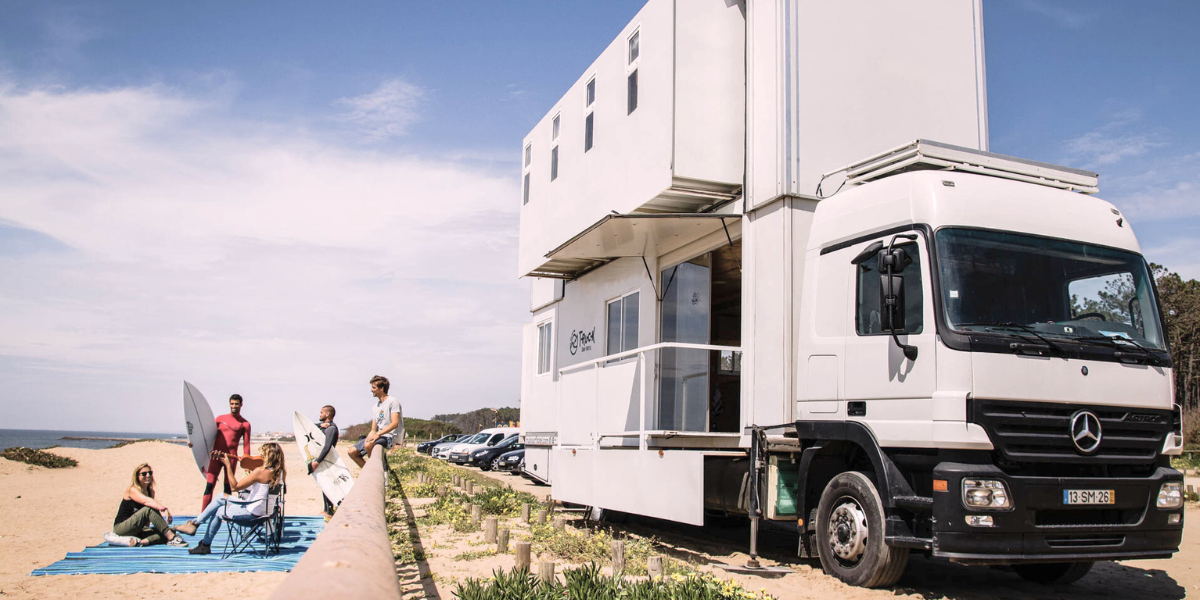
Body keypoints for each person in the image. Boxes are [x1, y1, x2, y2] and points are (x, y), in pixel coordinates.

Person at [177, 442, 286, 555]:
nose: (259, 457)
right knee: (220, 498)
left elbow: (234, 487)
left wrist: (228, 465)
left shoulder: (260, 472)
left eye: (262, 455)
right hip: (266, 513)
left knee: (219, 509)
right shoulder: (281, 472)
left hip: (252, 515)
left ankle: (202, 538)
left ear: (268, 456)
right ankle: (197, 529)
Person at [112, 463, 188, 547]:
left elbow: (148, 520)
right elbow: (146, 501)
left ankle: (143, 542)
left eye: (150, 473)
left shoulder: (151, 492)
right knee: (149, 508)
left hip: (138, 528)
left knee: (169, 530)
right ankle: (172, 538)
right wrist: (164, 509)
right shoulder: (132, 490)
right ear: (137, 477)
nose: (148, 475)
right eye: (144, 474)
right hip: (122, 528)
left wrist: (161, 526)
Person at [200, 393, 253, 511]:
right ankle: (203, 513)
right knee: (209, 485)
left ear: (241, 405)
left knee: (227, 487)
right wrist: (193, 443)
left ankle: (225, 513)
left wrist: (247, 464)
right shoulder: (220, 419)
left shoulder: (245, 424)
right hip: (216, 456)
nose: (234, 406)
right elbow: (206, 435)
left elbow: (246, 444)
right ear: (229, 404)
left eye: (236, 404)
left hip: (231, 458)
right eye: (232, 404)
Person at [348, 375, 401, 468]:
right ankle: (368, 470)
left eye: (373, 387)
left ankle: (374, 468)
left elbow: (395, 423)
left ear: (381, 388)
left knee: (369, 444)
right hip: (379, 436)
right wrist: (369, 437)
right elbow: (373, 429)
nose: (371, 390)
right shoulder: (375, 407)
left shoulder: (393, 401)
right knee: (352, 451)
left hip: (390, 437)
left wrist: (378, 434)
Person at [309, 404, 340, 518]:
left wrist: (318, 461)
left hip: (327, 461)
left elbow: (327, 447)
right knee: (324, 485)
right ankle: (326, 510)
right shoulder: (326, 427)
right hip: (324, 460)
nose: (319, 414)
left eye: (321, 413)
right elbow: (309, 427)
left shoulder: (331, 429)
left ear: (327, 414)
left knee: (328, 486)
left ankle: (329, 511)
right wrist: (321, 425)